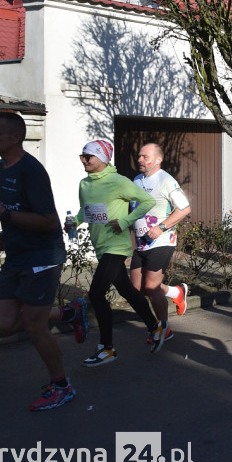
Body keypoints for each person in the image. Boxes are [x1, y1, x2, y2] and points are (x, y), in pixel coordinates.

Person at [0, 112, 82, 409]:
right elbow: (11, 208)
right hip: (17, 255)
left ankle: (61, 385)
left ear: (16, 137)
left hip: (42, 257)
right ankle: (69, 313)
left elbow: (49, 221)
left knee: (34, 324)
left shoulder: (31, 171)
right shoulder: (3, 166)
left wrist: (3, 216)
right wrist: (6, 232)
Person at [70, 139, 159, 366]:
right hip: (100, 245)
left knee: (97, 294)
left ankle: (107, 348)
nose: (83, 160)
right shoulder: (84, 184)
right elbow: (85, 210)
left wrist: (126, 220)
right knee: (127, 290)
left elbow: (147, 201)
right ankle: (155, 326)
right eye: (82, 156)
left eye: (87, 156)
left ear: (102, 158)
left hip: (116, 246)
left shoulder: (118, 181)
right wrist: (74, 222)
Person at [130, 143, 192, 353]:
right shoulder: (136, 180)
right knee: (137, 288)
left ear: (157, 160)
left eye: (144, 156)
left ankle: (164, 327)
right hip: (141, 242)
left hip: (162, 240)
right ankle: (176, 292)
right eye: (139, 156)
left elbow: (184, 208)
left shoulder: (166, 180)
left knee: (151, 287)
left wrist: (162, 226)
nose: (140, 160)